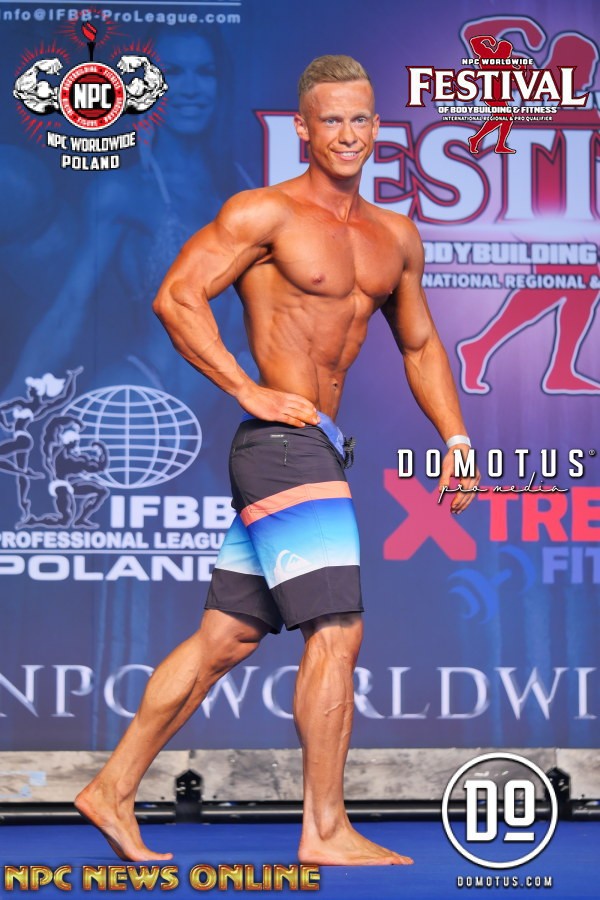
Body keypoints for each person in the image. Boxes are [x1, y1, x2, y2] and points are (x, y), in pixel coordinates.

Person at [75, 54, 478, 866]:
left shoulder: (394, 235)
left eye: (360, 119)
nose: (348, 134)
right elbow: (177, 296)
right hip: (283, 445)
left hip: (314, 445)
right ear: (303, 128)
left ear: (377, 126)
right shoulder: (265, 212)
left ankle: (110, 788)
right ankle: (325, 830)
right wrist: (245, 388)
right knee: (337, 631)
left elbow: (420, 343)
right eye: (331, 120)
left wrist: (457, 437)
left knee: (224, 639)